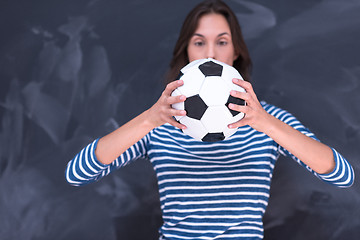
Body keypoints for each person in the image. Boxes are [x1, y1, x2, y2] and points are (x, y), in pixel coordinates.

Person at [65, 0, 354, 239]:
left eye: (222, 42)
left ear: (235, 52)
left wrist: (264, 123)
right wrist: (149, 120)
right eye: (199, 42)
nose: (211, 53)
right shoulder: (159, 122)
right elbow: (76, 174)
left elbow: (342, 176)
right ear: (186, 52)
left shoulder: (268, 119)